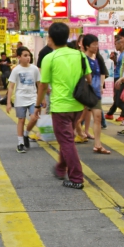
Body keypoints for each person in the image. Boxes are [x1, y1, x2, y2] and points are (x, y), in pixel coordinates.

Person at [35, 22, 91, 189]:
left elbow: (43, 85)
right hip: (78, 104)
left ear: (50, 38)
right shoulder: (80, 55)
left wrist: (37, 106)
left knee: (66, 141)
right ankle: (60, 168)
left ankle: (76, 178)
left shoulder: (49, 58)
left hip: (60, 106)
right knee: (66, 138)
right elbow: (88, 78)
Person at [80, 34, 110, 154]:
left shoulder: (97, 58)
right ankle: (68, 142)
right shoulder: (82, 58)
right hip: (84, 93)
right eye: (94, 45)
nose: (96, 47)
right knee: (78, 119)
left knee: (97, 117)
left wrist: (101, 86)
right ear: (87, 46)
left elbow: (102, 73)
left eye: (97, 44)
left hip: (95, 93)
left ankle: (98, 144)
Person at [6, 46, 40, 153]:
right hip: (20, 98)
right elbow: (11, 86)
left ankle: (26, 134)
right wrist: (8, 102)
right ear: (19, 57)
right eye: (25, 55)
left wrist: (41, 98)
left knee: (34, 118)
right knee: (21, 120)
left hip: (33, 97)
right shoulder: (16, 70)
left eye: (29, 55)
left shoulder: (34, 69)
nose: (28, 57)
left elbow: (39, 84)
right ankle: (20, 143)